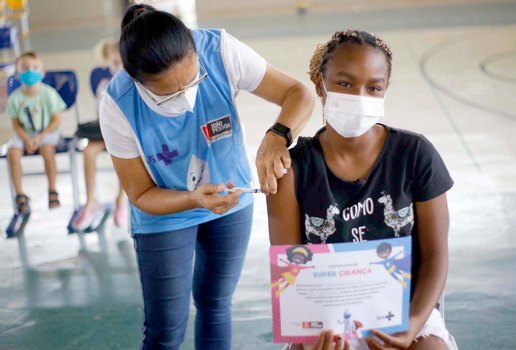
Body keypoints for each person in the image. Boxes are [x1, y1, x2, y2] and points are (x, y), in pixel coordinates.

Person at [99, 4, 315, 350]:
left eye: (194, 81)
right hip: (164, 215)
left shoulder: (221, 51)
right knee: (165, 330)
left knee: (215, 305)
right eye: (169, 94)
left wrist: (277, 136)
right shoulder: (118, 104)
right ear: (136, 80)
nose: (186, 99)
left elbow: (298, 94)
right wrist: (193, 199)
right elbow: (140, 194)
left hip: (232, 201)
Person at [267, 30, 458, 350]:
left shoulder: (415, 154)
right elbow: (292, 270)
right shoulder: (293, 168)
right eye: (344, 83)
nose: (359, 96)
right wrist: (309, 337)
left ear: (385, 90)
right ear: (319, 82)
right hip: (322, 318)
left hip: (404, 310)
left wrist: (411, 326)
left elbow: (436, 255)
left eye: (374, 87)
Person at [72, 39, 127, 231]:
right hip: (104, 131)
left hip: (124, 133)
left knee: (123, 153)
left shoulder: (134, 79)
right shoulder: (102, 80)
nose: (118, 67)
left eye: (122, 62)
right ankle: (91, 202)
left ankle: (121, 200)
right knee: (88, 152)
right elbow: (100, 110)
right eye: (114, 63)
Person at [5, 51, 67, 214]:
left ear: (43, 72)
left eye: (35, 67)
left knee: (47, 150)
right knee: (12, 152)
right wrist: (26, 139)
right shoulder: (15, 98)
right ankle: (20, 195)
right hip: (24, 135)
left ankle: (52, 191)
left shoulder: (48, 94)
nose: (30, 71)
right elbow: (16, 124)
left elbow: (56, 121)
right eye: (25, 68)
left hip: (48, 134)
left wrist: (40, 137)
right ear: (17, 75)